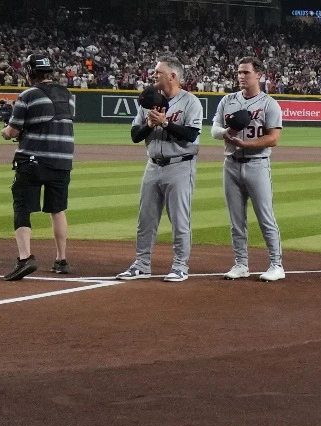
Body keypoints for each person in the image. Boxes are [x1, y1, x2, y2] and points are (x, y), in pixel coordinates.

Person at [117, 58, 204, 282]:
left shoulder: (191, 102)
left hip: (180, 166)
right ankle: (141, 264)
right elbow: (135, 136)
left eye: (158, 72)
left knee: (179, 219)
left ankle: (180, 266)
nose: (153, 76)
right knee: (145, 219)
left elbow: (191, 135)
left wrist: (165, 123)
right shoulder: (148, 102)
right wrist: (150, 124)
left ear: (172, 76)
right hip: (153, 165)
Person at [210, 57, 285, 281]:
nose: (241, 76)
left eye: (246, 72)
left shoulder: (269, 104)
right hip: (230, 164)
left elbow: (273, 138)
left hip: (257, 164)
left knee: (265, 216)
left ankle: (277, 265)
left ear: (258, 75)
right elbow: (214, 129)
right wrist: (226, 133)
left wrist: (247, 145)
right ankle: (241, 264)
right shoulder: (227, 100)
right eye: (239, 72)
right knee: (236, 219)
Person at [2, 54, 73, 281]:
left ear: (30, 72)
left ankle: (25, 258)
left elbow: (12, 131)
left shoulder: (28, 95)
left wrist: (5, 131)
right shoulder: (68, 95)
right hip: (62, 161)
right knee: (57, 209)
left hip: (32, 160)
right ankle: (61, 260)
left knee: (22, 205)